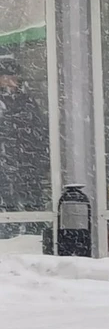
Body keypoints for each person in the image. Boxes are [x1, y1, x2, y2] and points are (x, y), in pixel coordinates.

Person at [0, 57, 48, 218]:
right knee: (7, 207)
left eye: (13, 77)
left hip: (27, 166)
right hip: (7, 166)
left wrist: (41, 161)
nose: (10, 81)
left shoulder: (26, 101)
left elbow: (40, 131)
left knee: (32, 206)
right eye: (6, 77)